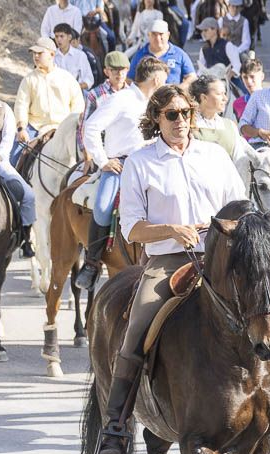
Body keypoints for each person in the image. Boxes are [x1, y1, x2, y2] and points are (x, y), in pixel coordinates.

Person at [94, 83, 270, 454]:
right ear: (156, 119)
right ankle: (115, 429)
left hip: (222, 256)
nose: (180, 121)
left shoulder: (213, 155)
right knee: (138, 326)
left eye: (185, 114)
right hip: (169, 261)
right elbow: (131, 228)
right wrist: (171, 230)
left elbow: (242, 206)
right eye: (170, 115)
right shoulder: (141, 161)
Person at [74, 56, 167, 290]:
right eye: (164, 79)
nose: (165, 82)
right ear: (156, 79)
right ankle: (92, 263)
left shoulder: (156, 102)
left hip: (152, 161)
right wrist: (103, 160)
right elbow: (91, 127)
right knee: (104, 207)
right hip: (121, 164)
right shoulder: (120, 99)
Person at [0, 66, 37, 253]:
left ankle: (25, 238)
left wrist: (0, 156)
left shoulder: (5, 110)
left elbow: (9, 136)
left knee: (28, 195)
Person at [12, 37, 85, 168]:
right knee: (12, 159)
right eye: (34, 53)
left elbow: (78, 105)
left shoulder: (67, 78)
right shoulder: (29, 79)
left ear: (52, 54)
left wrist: (72, 125)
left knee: (85, 157)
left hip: (64, 127)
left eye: (40, 53)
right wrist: (21, 128)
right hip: (35, 128)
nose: (36, 56)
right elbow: (21, 105)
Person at [77, 51, 129, 163]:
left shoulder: (133, 94)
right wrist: (87, 154)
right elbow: (84, 126)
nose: (119, 74)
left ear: (127, 70)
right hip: (101, 149)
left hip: (128, 149)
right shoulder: (95, 94)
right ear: (106, 71)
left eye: (122, 70)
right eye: (114, 70)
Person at [190, 73, 253, 161]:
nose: (225, 99)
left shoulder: (230, 125)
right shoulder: (189, 126)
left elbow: (240, 159)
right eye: (219, 94)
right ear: (204, 98)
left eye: (225, 93)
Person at [128, 19, 195, 86]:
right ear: (149, 35)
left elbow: (192, 77)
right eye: (154, 34)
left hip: (172, 94)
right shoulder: (139, 55)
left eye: (161, 34)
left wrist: (180, 89)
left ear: (168, 35)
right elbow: (129, 79)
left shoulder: (179, 54)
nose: (157, 38)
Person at [52, 23, 94, 91]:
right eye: (56, 36)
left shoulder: (80, 56)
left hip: (74, 95)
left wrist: (76, 86)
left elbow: (89, 79)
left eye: (62, 36)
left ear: (69, 37)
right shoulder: (51, 55)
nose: (58, 39)